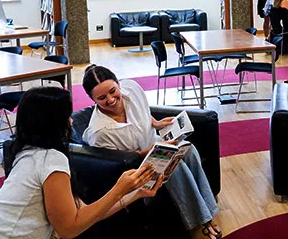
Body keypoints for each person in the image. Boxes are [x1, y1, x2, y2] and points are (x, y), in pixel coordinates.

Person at [0, 86, 161, 239]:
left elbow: (85, 213)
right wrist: (119, 189)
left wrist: (135, 193)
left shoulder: (27, 152)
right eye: (66, 116)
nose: (71, 121)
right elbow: (69, 229)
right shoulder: (50, 159)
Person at [81, 65, 221, 239]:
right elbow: (118, 164)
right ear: (92, 99)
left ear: (118, 83)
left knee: (189, 149)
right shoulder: (99, 132)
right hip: (135, 164)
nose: (110, 100)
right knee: (175, 165)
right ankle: (203, 222)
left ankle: (209, 207)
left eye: (112, 91)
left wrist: (156, 123)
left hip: (155, 144)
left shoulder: (132, 88)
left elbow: (143, 111)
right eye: (102, 98)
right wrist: (149, 151)